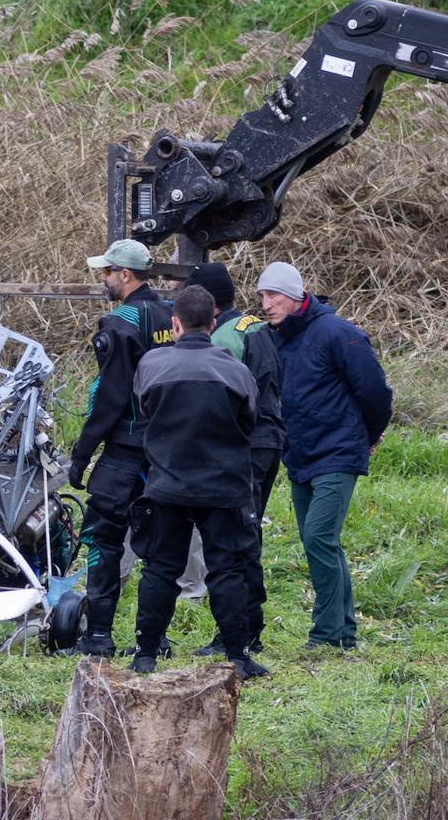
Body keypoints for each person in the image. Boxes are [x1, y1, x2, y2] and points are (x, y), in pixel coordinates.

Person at [129, 285, 267, 679]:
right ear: (212, 323)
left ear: (175, 324)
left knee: (160, 569)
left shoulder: (152, 366)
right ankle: (238, 655)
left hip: (167, 484)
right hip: (223, 485)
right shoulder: (236, 371)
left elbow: (143, 415)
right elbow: (249, 422)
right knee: (227, 569)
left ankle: (146, 653)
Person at [258, 261, 393, 650]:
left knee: (319, 537)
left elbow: (376, 392)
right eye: (262, 296)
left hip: (337, 452)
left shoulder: (338, 333)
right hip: (299, 453)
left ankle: (327, 634)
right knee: (321, 541)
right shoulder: (276, 338)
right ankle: (345, 630)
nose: (266, 304)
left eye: (273, 295)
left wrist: (368, 435)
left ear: (296, 294)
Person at [65, 239, 173, 657]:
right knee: (161, 547)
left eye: (107, 272)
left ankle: (98, 638)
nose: (104, 280)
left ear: (125, 275)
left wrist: (82, 453)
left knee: (103, 538)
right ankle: (154, 640)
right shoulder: (170, 315)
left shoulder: (119, 324)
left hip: (126, 450)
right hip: (167, 453)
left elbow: (109, 396)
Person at [181, 262, 286, 657]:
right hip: (270, 441)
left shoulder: (223, 337)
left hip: (244, 445)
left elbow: (221, 398)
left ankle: (237, 633)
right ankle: (249, 628)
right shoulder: (252, 326)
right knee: (249, 533)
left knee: (235, 539)